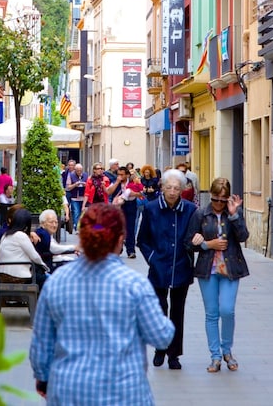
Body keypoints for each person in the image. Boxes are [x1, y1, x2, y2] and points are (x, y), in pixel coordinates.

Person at [30, 203, 175, 405]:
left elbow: (41, 344)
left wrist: (44, 378)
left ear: (83, 237)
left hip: (69, 392)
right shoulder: (134, 285)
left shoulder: (57, 282)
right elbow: (162, 337)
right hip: (125, 394)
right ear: (119, 239)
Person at [186, 178, 250, 373]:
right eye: (216, 200)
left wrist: (233, 216)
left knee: (227, 310)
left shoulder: (233, 213)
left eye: (223, 200)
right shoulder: (200, 214)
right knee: (212, 314)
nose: (219, 204)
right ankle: (215, 356)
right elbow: (188, 243)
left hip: (231, 269)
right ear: (211, 196)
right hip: (208, 269)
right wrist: (206, 244)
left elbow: (243, 237)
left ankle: (227, 351)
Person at [137, 168, 197, 370]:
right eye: (169, 187)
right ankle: (159, 349)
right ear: (162, 187)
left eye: (176, 188)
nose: (172, 191)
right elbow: (142, 240)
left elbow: (195, 237)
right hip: (159, 267)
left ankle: (174, 355)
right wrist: (152, 258)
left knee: (177, 313)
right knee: (160, 310)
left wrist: (196, 244)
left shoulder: (190, 209)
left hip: (181, 266)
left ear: (182, 190)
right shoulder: (151, 209)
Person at [0, 208, 50, 290]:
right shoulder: (20, 235)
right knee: (47, 279)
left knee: (40, 274)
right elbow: (35, 256)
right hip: (16, 277)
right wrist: (45, 267)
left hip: (3, 275)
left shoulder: (6, 235)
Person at [64, 163, 88, 230]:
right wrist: (75, 185)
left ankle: (81, 226)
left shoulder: (86, 175)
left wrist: (85, 185)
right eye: (77, 170)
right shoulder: (71, 175)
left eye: (80, 170)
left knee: (82, 213)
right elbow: (68, 187)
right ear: (75, 170)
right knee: (76, 212)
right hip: (75, 198)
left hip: (83, 197)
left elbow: (89, 186)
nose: (79, 172)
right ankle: (76, 227)